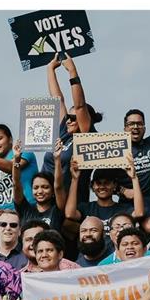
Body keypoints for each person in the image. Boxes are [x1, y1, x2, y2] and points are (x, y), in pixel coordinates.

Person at [43, 52, 103, 204]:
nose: (69, 121)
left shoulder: (86, 137)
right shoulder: (64, 131)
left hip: (73, 203)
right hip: (48, 201)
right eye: (68, 117)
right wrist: (50, 69)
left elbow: (80, 106)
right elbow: (57, 100)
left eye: (74, 118)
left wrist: (72, 71)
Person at [65, 155, 144, 229]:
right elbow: (69, 214)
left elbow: (139, 213)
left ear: (115, 186)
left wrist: (134, 178)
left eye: (106, 183)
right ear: (92, 187)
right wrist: (74, 179)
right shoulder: (86, 208)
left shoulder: (123, 209)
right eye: (98, 183)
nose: (102, 186)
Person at [0, 124, 38, 209]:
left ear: (10, 139)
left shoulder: (24, 152)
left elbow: (12, 167)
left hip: (27, 211)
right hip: (3, 217)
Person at [13, 141, 65, 232]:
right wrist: (17, 159)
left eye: (45, 187)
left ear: (53, 191)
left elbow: (59, 186)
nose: (40, 191)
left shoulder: (57, 210)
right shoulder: (25, 210)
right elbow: (16, 184)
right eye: (36, 188)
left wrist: (57, 159)